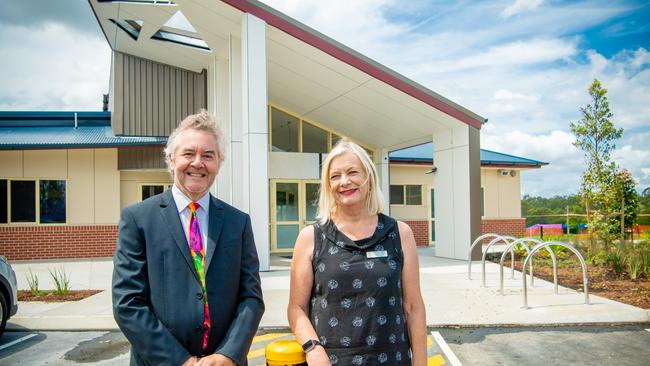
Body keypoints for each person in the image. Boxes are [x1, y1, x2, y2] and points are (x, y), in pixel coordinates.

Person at [112, 110, 264, 366]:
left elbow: (251, 297)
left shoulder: (238, 222)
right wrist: (181, 361)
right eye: (188, 154)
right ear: (171, 160)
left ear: (219, 163)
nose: (198, 163)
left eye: (208, 155)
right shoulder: (138, 219)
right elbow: (128, 302)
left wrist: (228, 355)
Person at [287, 139, 427, 365]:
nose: (344, 182)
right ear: (328, 185)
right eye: (335, 176)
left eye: (352, 172)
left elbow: (413, 308)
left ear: (368, 179)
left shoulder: (400, 233)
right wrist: (312, 348)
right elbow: (296, 308)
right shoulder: (310, 238)